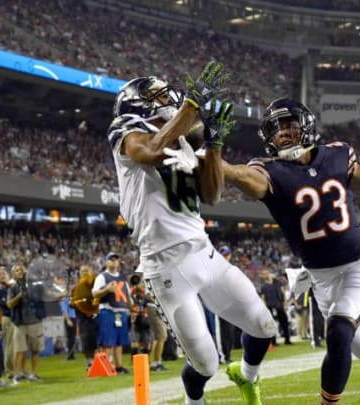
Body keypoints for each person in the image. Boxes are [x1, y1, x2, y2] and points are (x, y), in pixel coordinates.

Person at [219, 98, 360, 404]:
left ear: (307, 124)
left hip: (359, 266)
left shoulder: (337, 156)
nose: (284, 133)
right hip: (320, 279)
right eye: (277, 129)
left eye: (290, 124)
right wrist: (209, 158)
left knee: (339, 331)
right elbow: (239, 176)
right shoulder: (269, 171)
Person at [108, 61, 276, 405]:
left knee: (264, 326)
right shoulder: (126, 129)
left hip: (205, 253)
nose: (167, 96)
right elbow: (152, 151)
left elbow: (211, 195)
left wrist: (213, 144)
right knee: (205, 363)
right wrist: (192, 106)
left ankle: (246, 377)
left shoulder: (185, 135)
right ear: (135, 102)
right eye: (154, 94)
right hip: (165, 267)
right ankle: (193, 402)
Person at [92, 252, 132, 374]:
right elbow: (94, 293)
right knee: (107, 342)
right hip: (108, 310)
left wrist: (132, 308)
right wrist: (106, 290)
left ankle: (119, 366)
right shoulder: (102, 277)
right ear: (106, 262)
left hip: (121, 311)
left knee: (119, 342)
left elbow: (128, 296)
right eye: (111, 259)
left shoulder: (123, 278)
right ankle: (106, 366)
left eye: (116, 259)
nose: (114, 261)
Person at [7, 264, 46, 381]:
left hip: (35, 321)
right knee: (19, 350)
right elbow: (9, 304)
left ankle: (33, 374)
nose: (20, 272)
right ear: (13, 275)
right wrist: (19, 296)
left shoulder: (34, 286)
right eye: (17, 270)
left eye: (21, 270)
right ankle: (16, 374)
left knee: (35, 350)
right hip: (20, 323)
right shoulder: (12, 288)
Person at [70, 264, 99, 370]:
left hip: (96, 316)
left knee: (98, 340)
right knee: (87, 340)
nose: (85, 273)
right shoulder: (76, 287)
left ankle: (99, 362)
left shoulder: (96, 285)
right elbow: (71, 303)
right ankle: (89, 363)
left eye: (87, 271)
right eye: (83, 271)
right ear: (80, 274)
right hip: (83, 318)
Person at [259, 269, 292, 346]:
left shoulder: (277, 283)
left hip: (280, 305)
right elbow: (263, 298)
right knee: (272, 325)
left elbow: (283, 293)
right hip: (270, 307)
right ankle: (273, 341)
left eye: (267, 273)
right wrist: (265, 308)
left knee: (284, 323)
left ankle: (287, 340)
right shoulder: (263, 286)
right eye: (264, 274)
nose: (266, 275)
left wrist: (285, 304)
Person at [0, 266, 16, 380]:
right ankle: (10, 370)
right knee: (10, 345)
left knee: (17, 345)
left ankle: (17, 368)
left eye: (3, 273)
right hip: (8, 318)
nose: (2, 276)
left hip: (17, 318)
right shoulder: (0, 290)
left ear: (8, 274)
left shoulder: (13, 287)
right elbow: (7, 305)